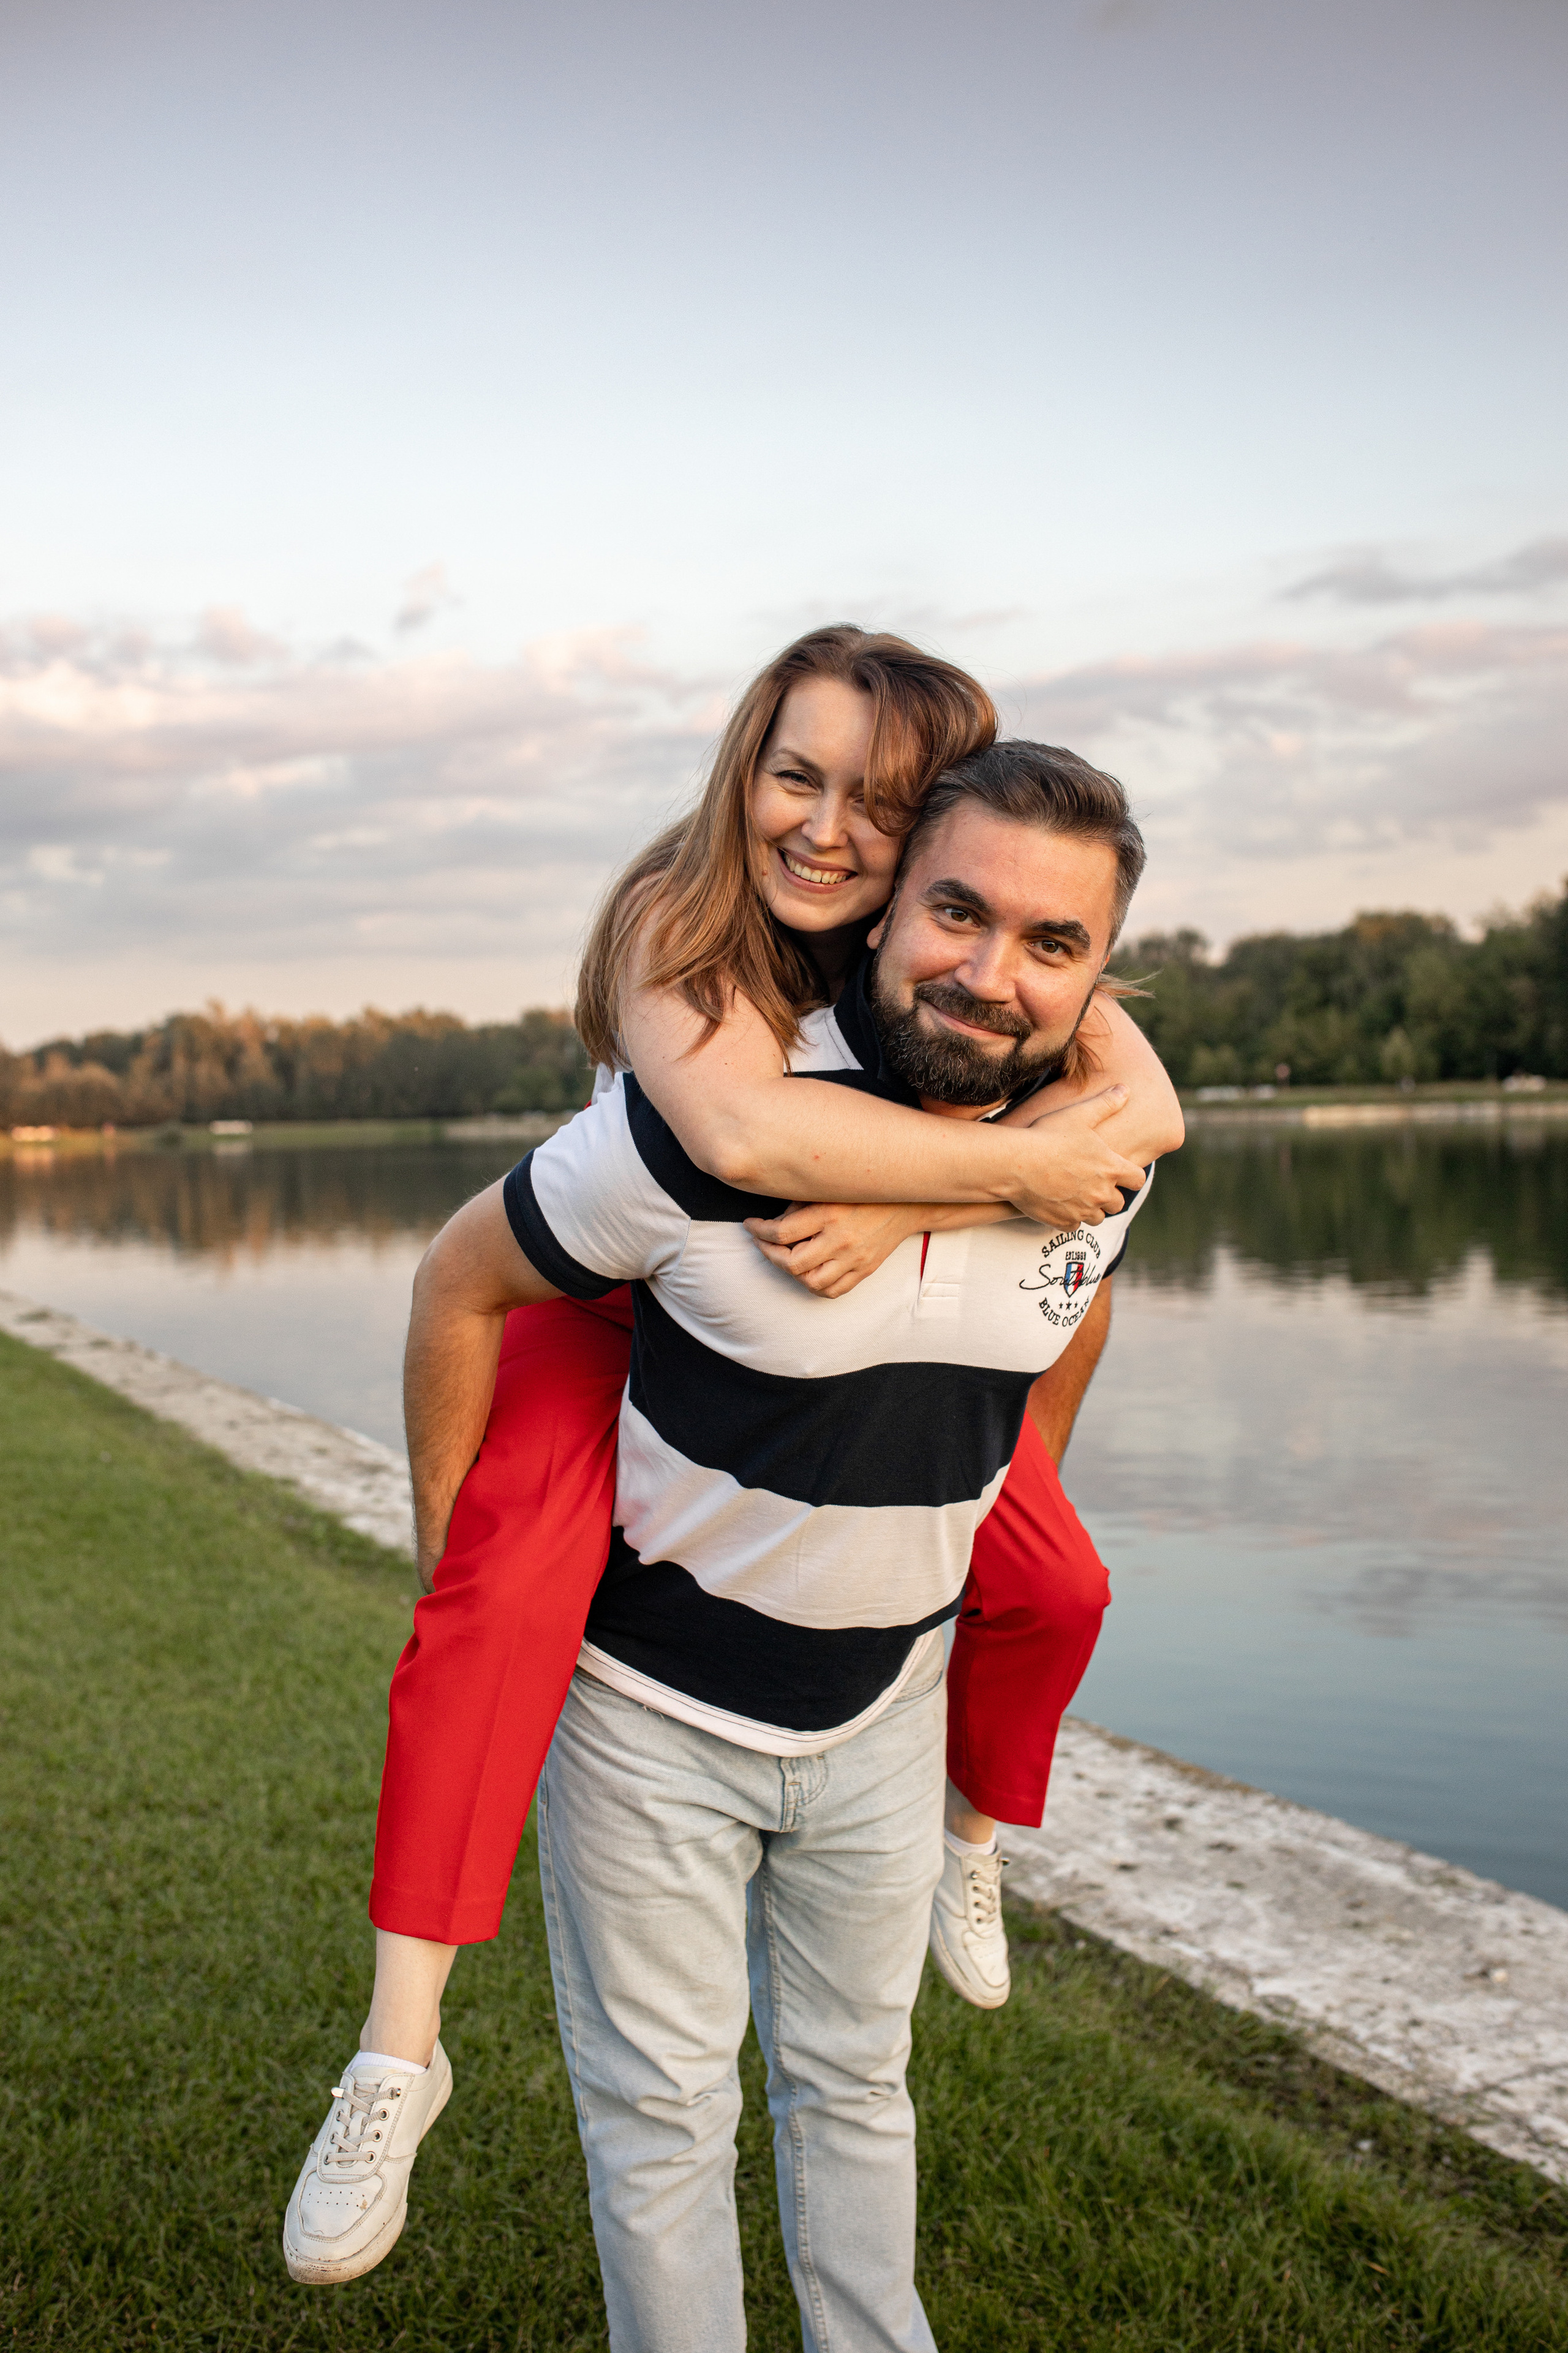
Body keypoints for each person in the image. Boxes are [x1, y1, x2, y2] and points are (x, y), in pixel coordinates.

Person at [282, 638, 1180, 2294]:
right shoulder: (681, 938)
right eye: (797, 776)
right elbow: (747, 1146)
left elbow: (1137, 1139)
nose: (830, 828)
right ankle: (401, 2042)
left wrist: (944, 1222)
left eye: (879, 800)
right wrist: (440, 1539)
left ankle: (976, 1834)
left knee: (1053, 1579)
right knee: (507, 1591)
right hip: (618, 1313)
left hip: (869, 1630)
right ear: (744, 776)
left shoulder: (1030, 1050)